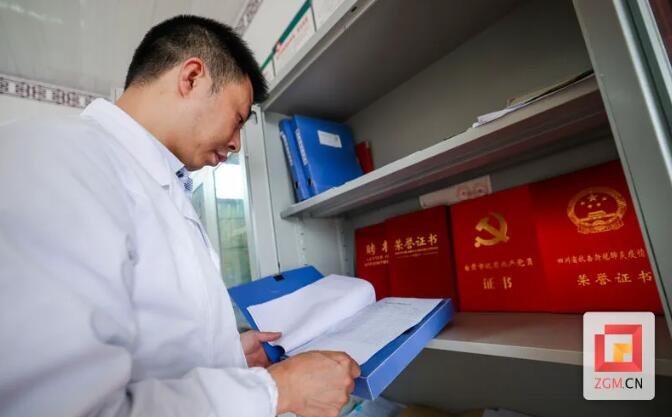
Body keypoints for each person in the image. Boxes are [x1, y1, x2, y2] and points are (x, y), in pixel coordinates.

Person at [0, 15, 359, 417]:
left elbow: (150, 344)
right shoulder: (57, 157)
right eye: (238, 119)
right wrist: (277, 390)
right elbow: (65, 405)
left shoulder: (159, 184)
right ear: (191, 78)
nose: (237, 145)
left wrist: (225, 354)